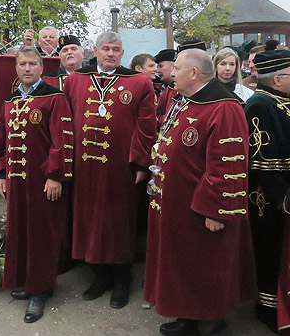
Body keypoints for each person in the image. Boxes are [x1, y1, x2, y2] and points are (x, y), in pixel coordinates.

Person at [144, 49, 255, 336]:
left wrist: (216, 209)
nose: (170, 73)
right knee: (183, 266)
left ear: (193, 73)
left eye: (177, 69)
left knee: (206, 268)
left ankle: (211, 322)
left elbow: (227, 164)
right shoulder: (186, 101)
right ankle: (187, 316)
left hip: (203, 211)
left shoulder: (224, 107)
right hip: (178, 207)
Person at [61, 31, 157, 309]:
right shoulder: (75, 80)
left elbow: (146, 126)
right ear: (95, 50)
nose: (111, 54)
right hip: (83, 166)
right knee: (89, 221)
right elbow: (65, 121)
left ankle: (121, 281)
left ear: (122, 53)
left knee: (119, 223)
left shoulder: (139, 82)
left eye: (116, 49)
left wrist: (141, 162)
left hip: (120, 168)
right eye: (106, 49)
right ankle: (99, 277)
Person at [0, 47, 74, 323]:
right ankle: (26, 282)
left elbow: (62, 140)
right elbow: (0, 140)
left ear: (41, 68)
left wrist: (55, 176)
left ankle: (41, 291)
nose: (27, 69)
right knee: (20, 232)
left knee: (42, 234)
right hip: (15, 180)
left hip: (42, 181)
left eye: (32, 64)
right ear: (16, 69)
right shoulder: (9, 101)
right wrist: (0, 174)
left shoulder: (54, 98)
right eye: (23, 64)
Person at [244, 50, 290, 332]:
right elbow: (262, 161)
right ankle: (268, 309)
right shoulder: (260, 104)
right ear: (278, 79)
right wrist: (283, 198)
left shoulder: (282, 101)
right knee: (270, 251)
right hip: (267, 198)